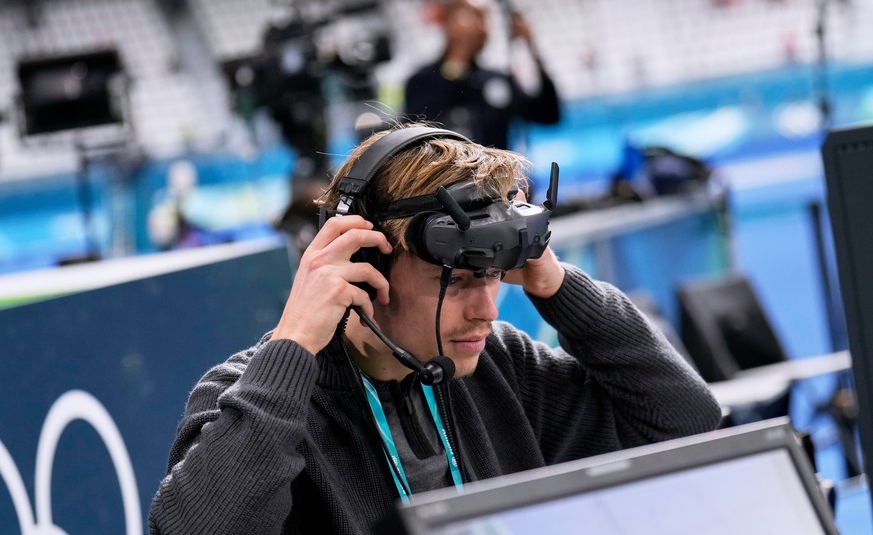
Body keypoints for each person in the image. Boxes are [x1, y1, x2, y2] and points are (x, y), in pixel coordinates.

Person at [149, 123, 721, 534]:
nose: (487, 309)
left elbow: (685, 422)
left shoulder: (501, 364)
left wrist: (558, 285)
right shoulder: (253, 394)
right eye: (462, 279)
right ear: (366, 265)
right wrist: (294, 343)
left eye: (495, 275)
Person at [404, 0, 561, 150]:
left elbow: (549, 115)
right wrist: (459, 54)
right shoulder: (422, 81)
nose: (482, 27)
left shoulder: (497, 79)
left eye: (484, 18)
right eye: (474, 16)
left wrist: (531, 48)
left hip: (497, 174)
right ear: (449, 24)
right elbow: (415, 139)